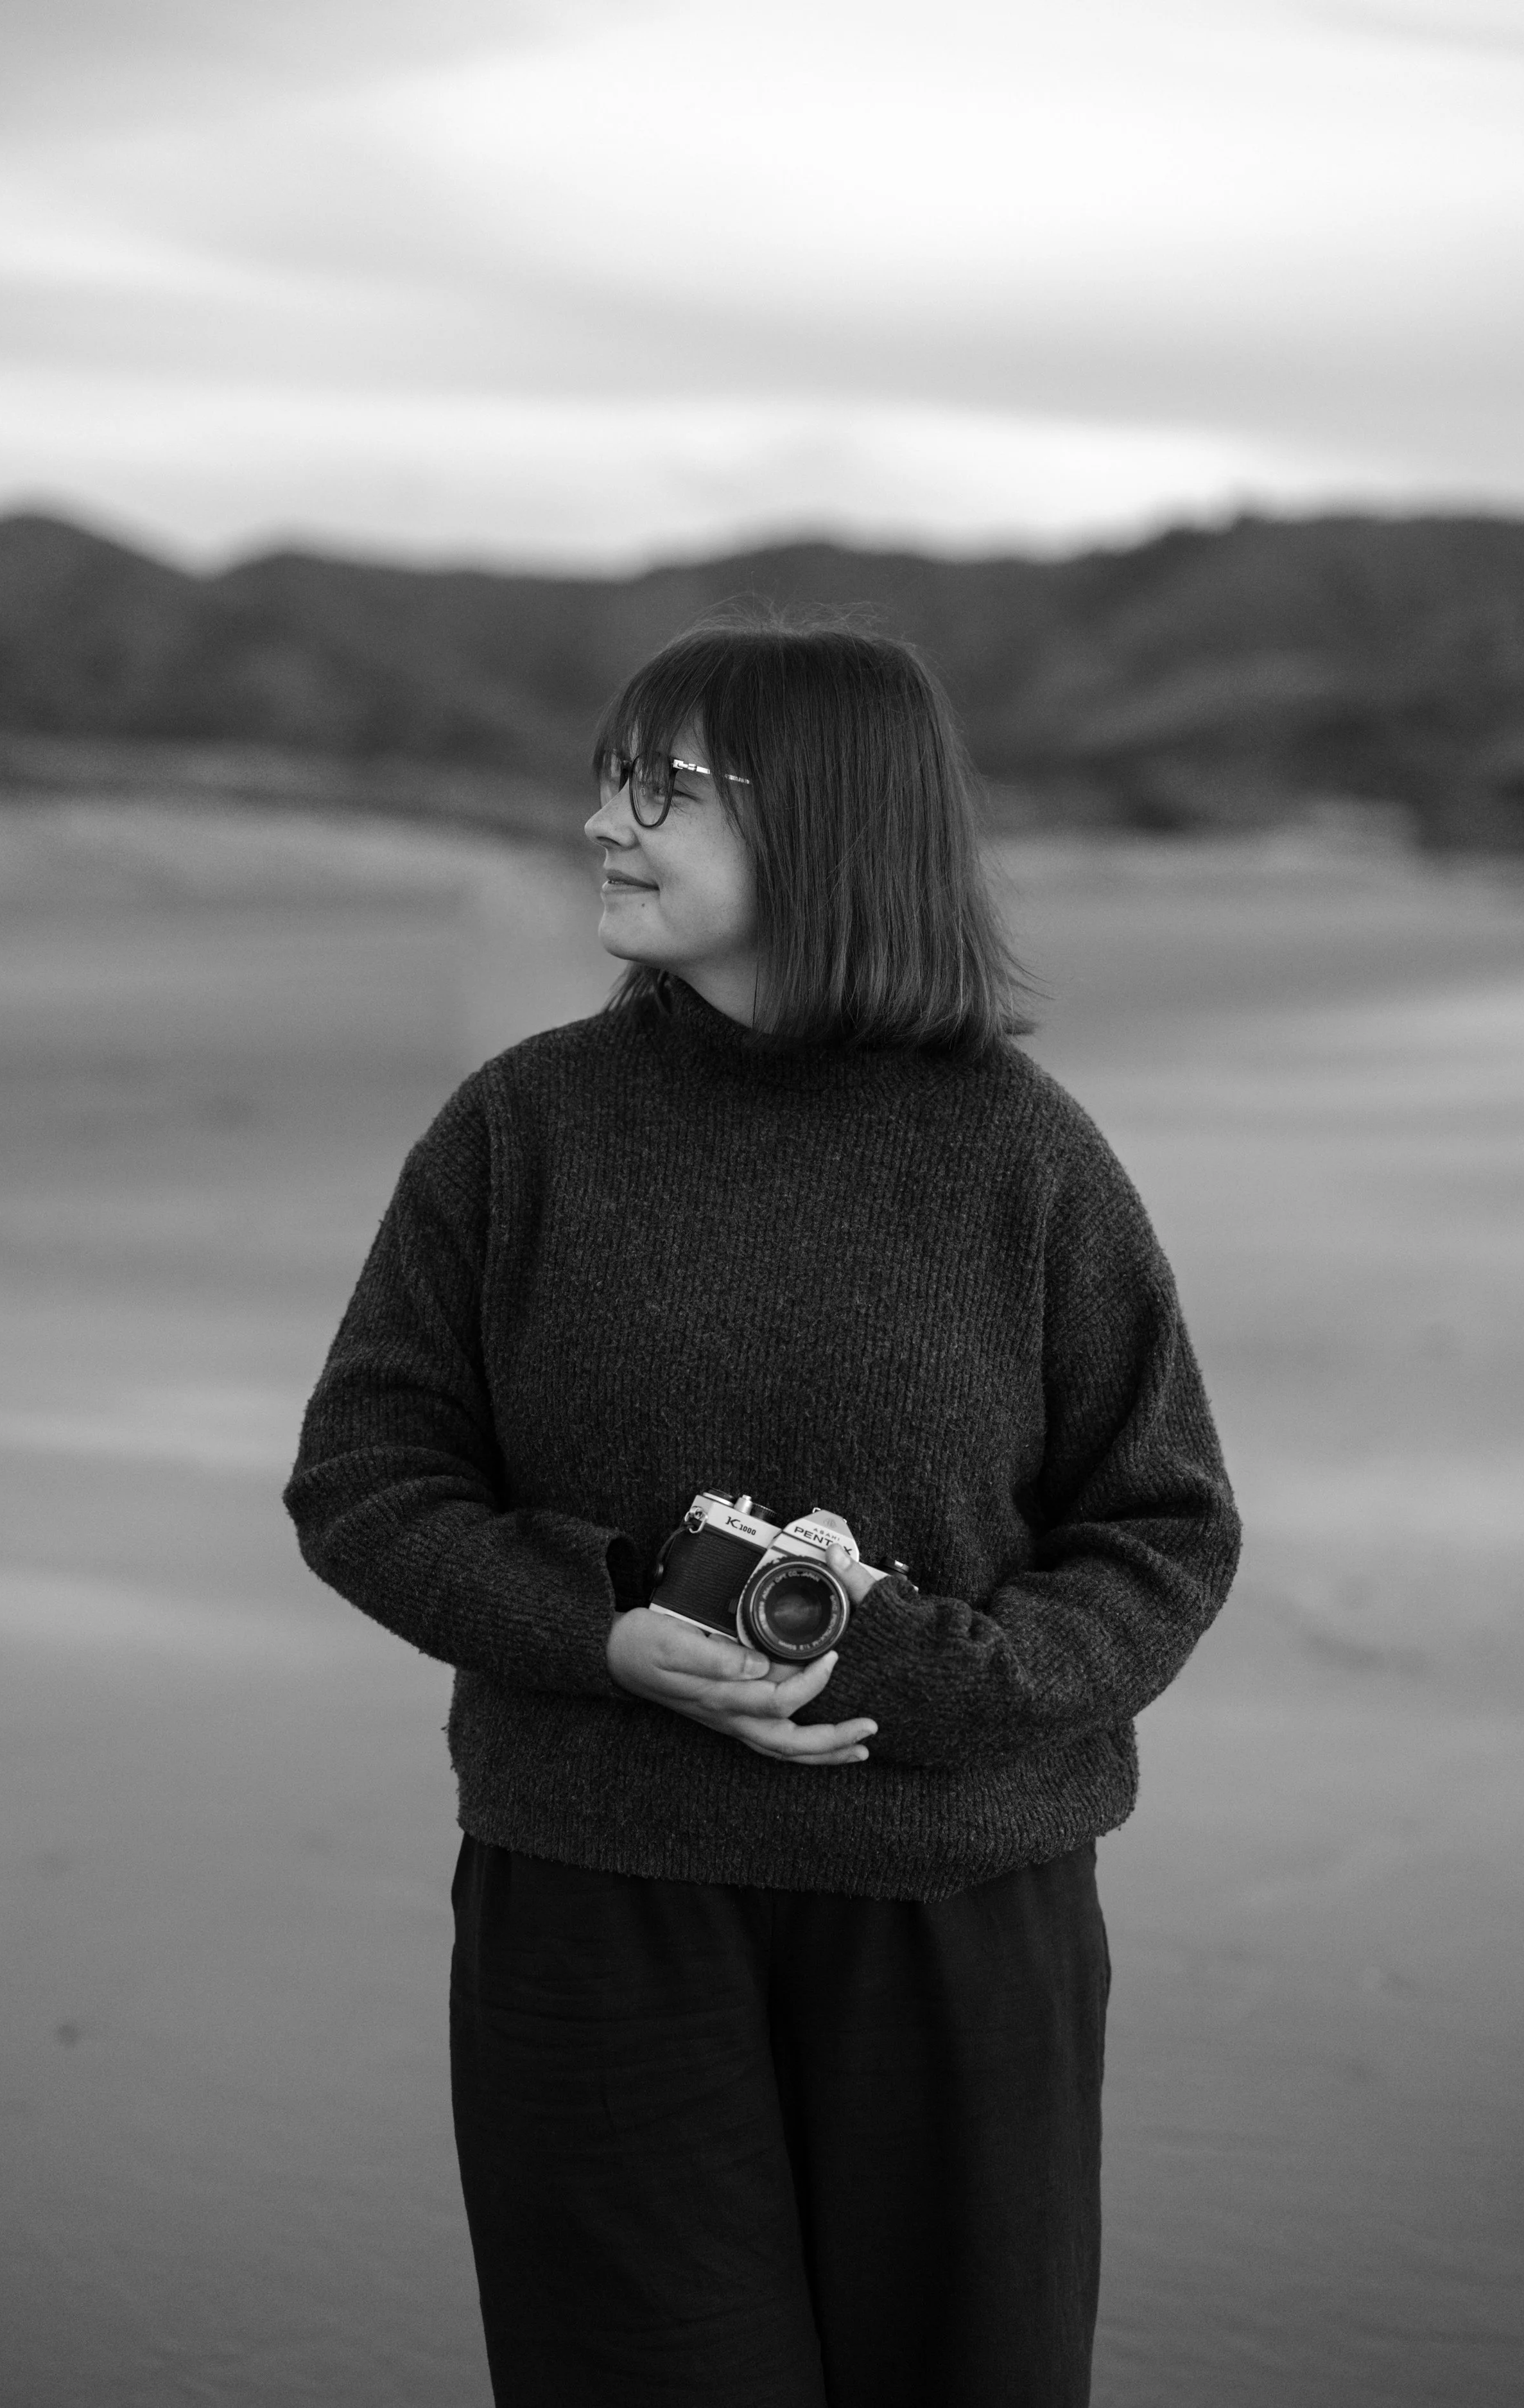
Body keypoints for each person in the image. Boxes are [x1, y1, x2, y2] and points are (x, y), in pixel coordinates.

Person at [283, 615, 1242, 2408]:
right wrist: (599, 1626)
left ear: (828, 818)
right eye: (604, 775)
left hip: (955, 1907)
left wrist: (935, 1679)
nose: (601, 821)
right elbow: (364, 1472)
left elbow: (1162, 1524)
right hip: (596, 1894)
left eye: (664, 786)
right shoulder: (524, 1130)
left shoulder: (1014, 1152)